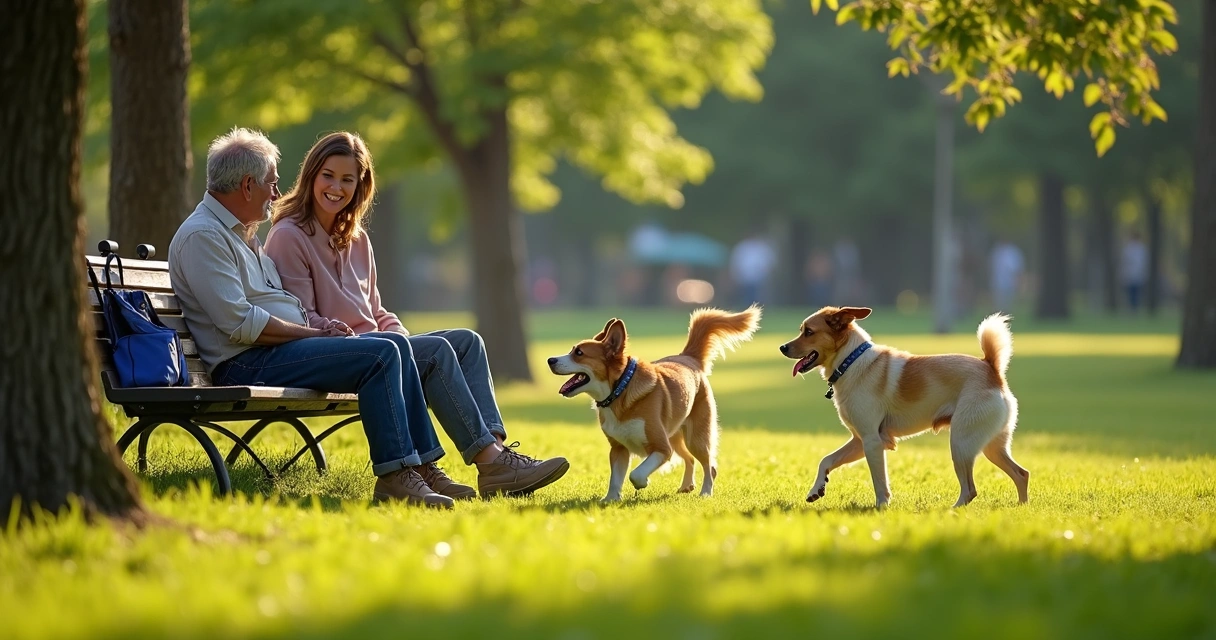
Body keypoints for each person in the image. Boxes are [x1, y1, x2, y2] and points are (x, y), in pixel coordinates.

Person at [167, 127, 564, 509]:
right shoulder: (206, 236)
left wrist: (318, 328)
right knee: (382, 353)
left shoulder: (241, 235)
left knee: (438, 343)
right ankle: (401, 474)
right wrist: (313, 329)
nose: (276, 191)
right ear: (247, 186)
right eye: (271, 182)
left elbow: (301, 307)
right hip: (245, 362)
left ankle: (464, 462)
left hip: (278, 350)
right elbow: (239, 322)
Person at [989, 237, 1025, 313]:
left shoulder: (1013, 252)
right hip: (998, 281)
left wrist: (1018, 280)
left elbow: (1017, 268)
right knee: (999, 301)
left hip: (1010, 281)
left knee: (1008, 301)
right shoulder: (997, 251)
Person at [1120, 230, 1148, 312]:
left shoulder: (1142, 249)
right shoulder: (1129, 249)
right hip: (1130, 274)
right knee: (1131, 292)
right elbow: (1125, 262)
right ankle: (1132, 308)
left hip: (1138, 274)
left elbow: (1143, 263)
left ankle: (1135, 308)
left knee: (1136, 293)